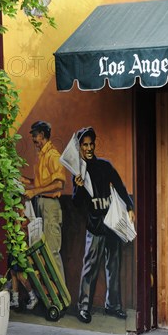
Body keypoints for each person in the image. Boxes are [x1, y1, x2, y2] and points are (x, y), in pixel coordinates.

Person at [72, 127, 135, 324]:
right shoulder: (79, 172)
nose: (89, 148)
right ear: (80, 147)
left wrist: (130, 207)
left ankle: (113, 306)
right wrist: (79, 187)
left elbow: (119, 186)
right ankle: (83, 307)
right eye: (85, 145)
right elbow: (76, 203)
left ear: (94, 144)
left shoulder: (105, 166)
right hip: (95, 225)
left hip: (112, 223)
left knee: (113, 266)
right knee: (90, 267)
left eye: (91, 144)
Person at [20, 120, 67, 284]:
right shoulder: (41, 155)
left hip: (50, 207)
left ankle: (61, 297)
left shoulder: (53, 155)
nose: (33, 139)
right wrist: (25, 181)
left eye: (34, 135)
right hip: (40, 205)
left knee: (52, 251)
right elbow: (41, 184)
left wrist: (34, 191)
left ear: (41, 135)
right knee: (43, 251)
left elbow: (58, 184)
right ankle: (51, 295)